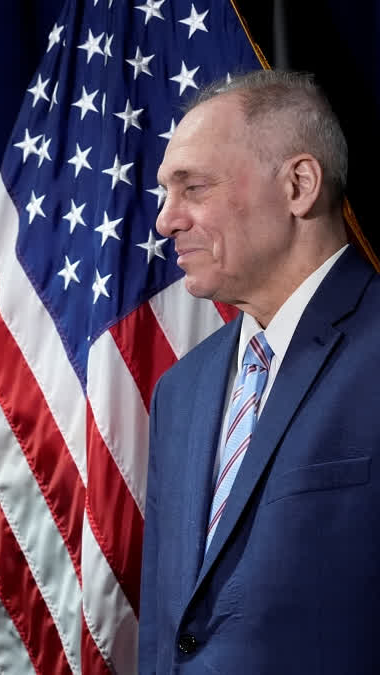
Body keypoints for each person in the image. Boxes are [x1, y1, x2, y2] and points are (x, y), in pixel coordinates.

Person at [140, 70, 380, 672]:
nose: (166, 221)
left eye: (192, 188)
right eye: (165, 194)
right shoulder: (181, 389)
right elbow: (172, 634)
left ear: (299, 184)